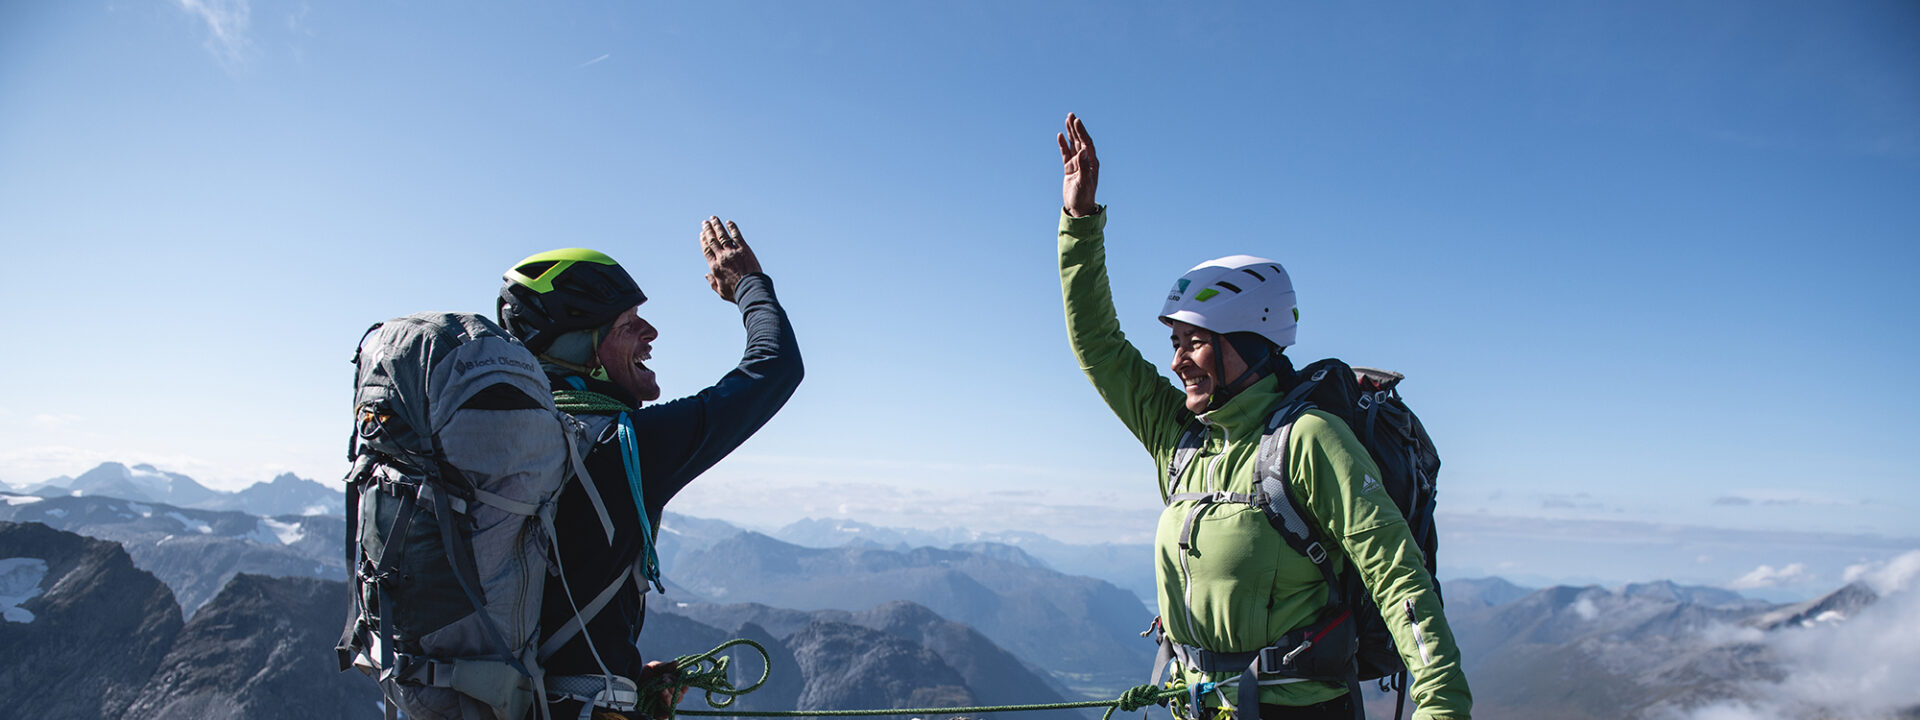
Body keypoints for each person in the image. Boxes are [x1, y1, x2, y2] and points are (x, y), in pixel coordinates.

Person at [1053, 114, 1470, 720]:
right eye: (1174, 343)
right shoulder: (1184, 440)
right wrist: (1080, 225)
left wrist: (1442, 706)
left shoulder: (1308, 441)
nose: (1176, 364)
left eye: (1193, 342)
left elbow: (1398, 578)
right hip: (1196, 707)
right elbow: (1098, 345)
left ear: (1249, 342)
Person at [495, 216, 804, 720]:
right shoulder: (622, 447)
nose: (651, 332)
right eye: (627, 323)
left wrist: (621, 675)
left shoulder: (517, 444)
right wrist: (748, 284)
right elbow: (774, 367)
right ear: (584, 350)